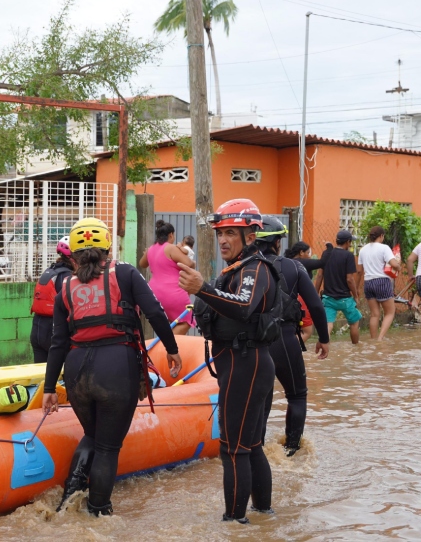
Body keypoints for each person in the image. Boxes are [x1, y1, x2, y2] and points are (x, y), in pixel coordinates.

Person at [42, 218, 182, 517]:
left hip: (77, 371)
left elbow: (58, 342)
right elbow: (155, 312)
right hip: (116, 366)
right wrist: (172, 349)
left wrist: (50, 387)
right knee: (107, 447)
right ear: (108, 247)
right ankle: (98, 513)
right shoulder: (126, 272)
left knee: (93, 435)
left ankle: (68, 501)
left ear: (73, 255)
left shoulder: (65, 285)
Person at [177, 198, 278, 524]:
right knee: (250, 445)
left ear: (251, 236)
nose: (223, 239)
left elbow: (244, 306)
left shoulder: (255, 268)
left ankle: (235, 525)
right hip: (242, 363)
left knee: (233, 449)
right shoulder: (237, 268)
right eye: (220, 233)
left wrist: (202, 289)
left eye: (231, 233)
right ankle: (263, 517)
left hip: (245, 364)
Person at [255, 218, 330, 457]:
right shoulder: (294, 267)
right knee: (297, 395)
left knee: (260, 399)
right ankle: (291, 451)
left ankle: (256, 451)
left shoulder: (244, 267)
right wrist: (324, 338)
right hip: (284, 338)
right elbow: (315, 305)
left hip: (253, 341)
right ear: (277, 242)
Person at [139, 220, 194, 334]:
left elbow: (142, 264)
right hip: (173, 293)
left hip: (154, 295)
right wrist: (193, 262)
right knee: (187, 319)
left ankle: (166, 342)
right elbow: (189, 264)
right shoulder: (171, 248)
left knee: (172, 323)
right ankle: (169, 344)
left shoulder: (151, 249)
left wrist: (147, 254)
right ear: (171, 235)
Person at [30, 236, 74, 363]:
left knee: (40, 372)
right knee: (63, 371)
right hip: (53, 331)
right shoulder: (67, 276)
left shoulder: (50, 271)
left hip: (37, 329)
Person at [314, 231, 361, 345]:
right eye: (350, 242)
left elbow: (319, 275)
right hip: (345, 299)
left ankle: (323, 345)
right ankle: (356, 348)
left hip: (328, 298)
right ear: (348, 242)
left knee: (328, 324)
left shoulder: (327, 253)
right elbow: (350, 279)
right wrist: (355, 296)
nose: (350, 244)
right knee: (354, 322)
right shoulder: (348, 256)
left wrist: (315, 293)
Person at [357, 226, 402, 341]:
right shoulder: (384, 248)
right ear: (381, 236)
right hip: (382, 281)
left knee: (374, 314)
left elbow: (359, 271)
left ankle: (373, 339)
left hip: (368, 283)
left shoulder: (363, 250)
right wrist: (399, 266)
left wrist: (357, 287)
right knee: (390, 312)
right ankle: (380, 339)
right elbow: (394, 264)